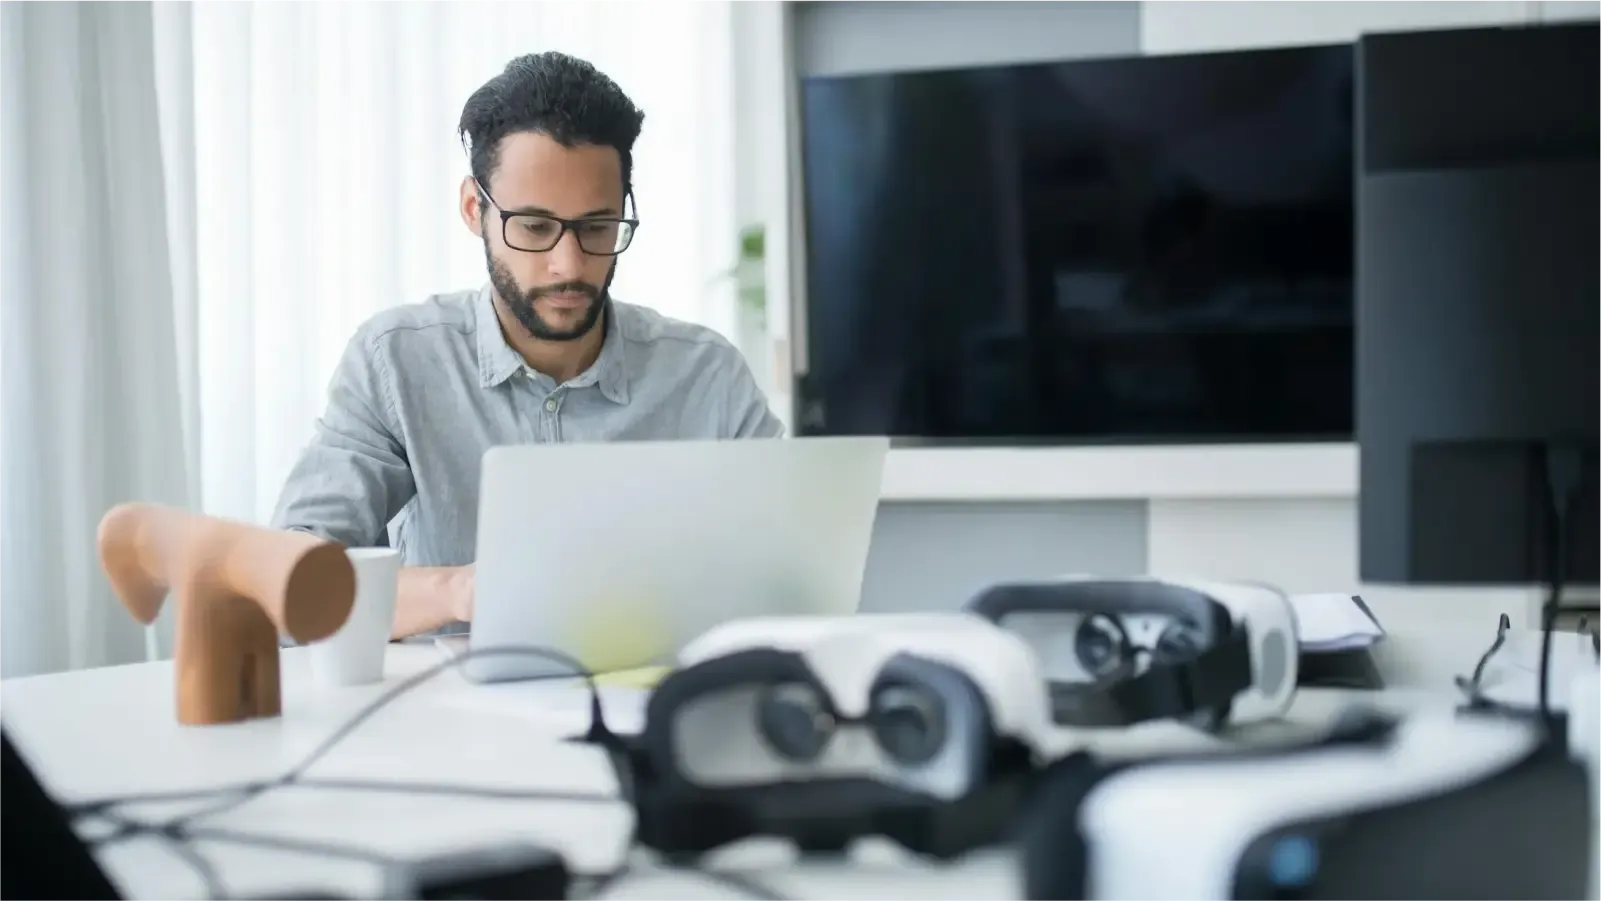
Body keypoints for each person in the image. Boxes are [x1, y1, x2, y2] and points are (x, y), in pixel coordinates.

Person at [271, 52, 782, 639]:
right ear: (474, 209)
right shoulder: (395, 361)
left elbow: (791, 577)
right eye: (535, 227)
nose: (569, 265)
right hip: (449, 721)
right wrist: (459, 591)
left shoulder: (706, 376)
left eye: (596, 227)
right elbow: (289, 585)